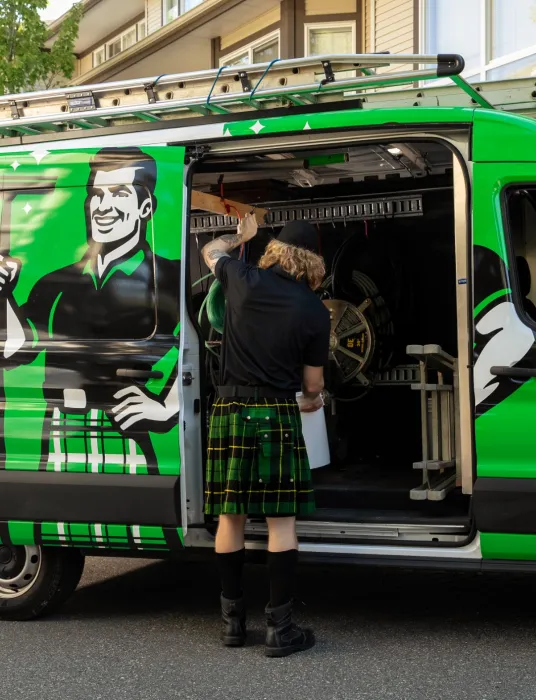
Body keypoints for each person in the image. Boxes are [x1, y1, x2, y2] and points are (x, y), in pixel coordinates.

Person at [0, 147, 179, 474]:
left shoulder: (172, 277)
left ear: (146, 207)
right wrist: (3, 295)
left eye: (120, 194)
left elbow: (213, 344)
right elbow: (15, 350)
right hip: (59, 433)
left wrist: (169, 406)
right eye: (97, 194)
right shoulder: (54, 283)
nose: (104, 206)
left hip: (127, 435)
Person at [201, 216, 330, 658]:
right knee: (281, 521)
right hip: (276, 411)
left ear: (275, 250)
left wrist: (241, 237)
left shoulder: (242, 277)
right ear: (314, 262)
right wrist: (312, 401)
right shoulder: (315, 309)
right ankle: (280, 629)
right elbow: (312, 386)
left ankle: (232, 624)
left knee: (230, 517)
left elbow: (210, 252)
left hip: (231, 411)